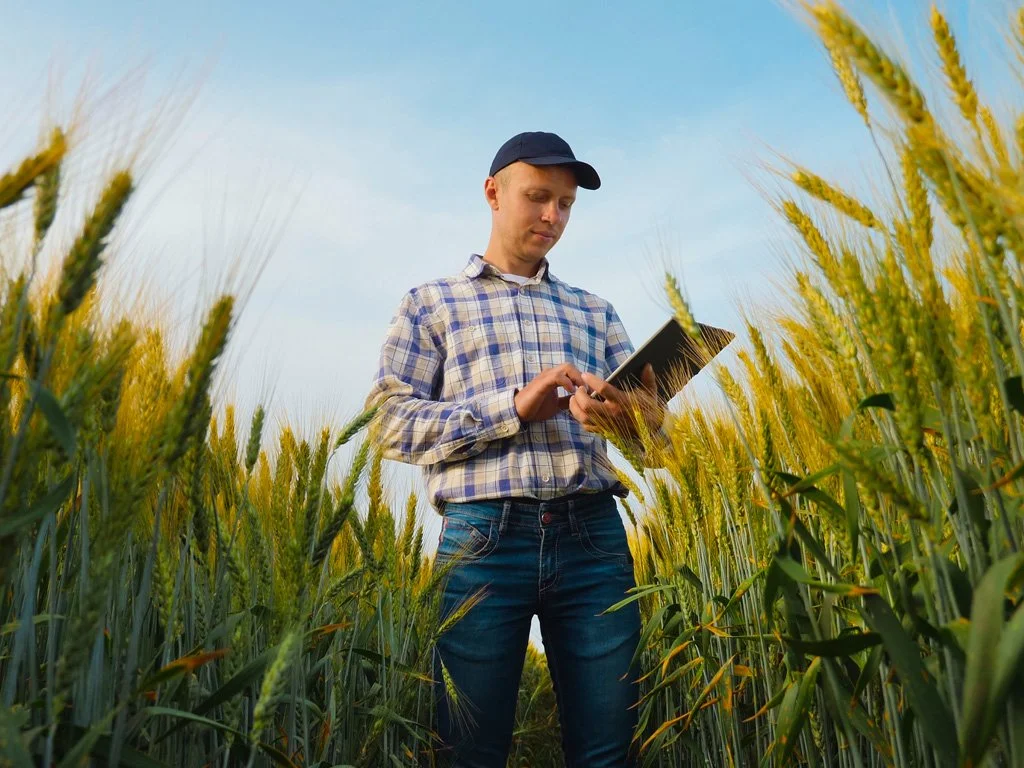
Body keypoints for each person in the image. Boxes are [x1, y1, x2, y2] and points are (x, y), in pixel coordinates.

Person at [365, 131, 671, 767]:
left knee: (608, 752)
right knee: (467, 750)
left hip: (593, 537)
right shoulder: (431, 304)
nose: (552, 217)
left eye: (565, 205)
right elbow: (388, 425)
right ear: (492, 192)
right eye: (537, 198)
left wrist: (630, 420)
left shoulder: (597, 313)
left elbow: (658, 448)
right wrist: (513, 409)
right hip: (482, 541)